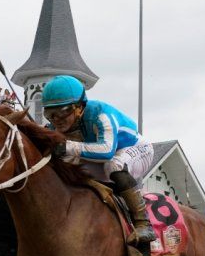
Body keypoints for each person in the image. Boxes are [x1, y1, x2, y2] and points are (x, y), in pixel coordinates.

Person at [42, 75, 156, 245]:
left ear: (79, 107)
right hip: (104, 154)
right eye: (50, 113)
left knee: (114, 165)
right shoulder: (56, 124)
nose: (57, 119)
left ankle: (143, 223)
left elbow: (107, 151)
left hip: (136, 150)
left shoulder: (100, 114)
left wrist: (67, 146)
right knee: (66, 163)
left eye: (63, 111)